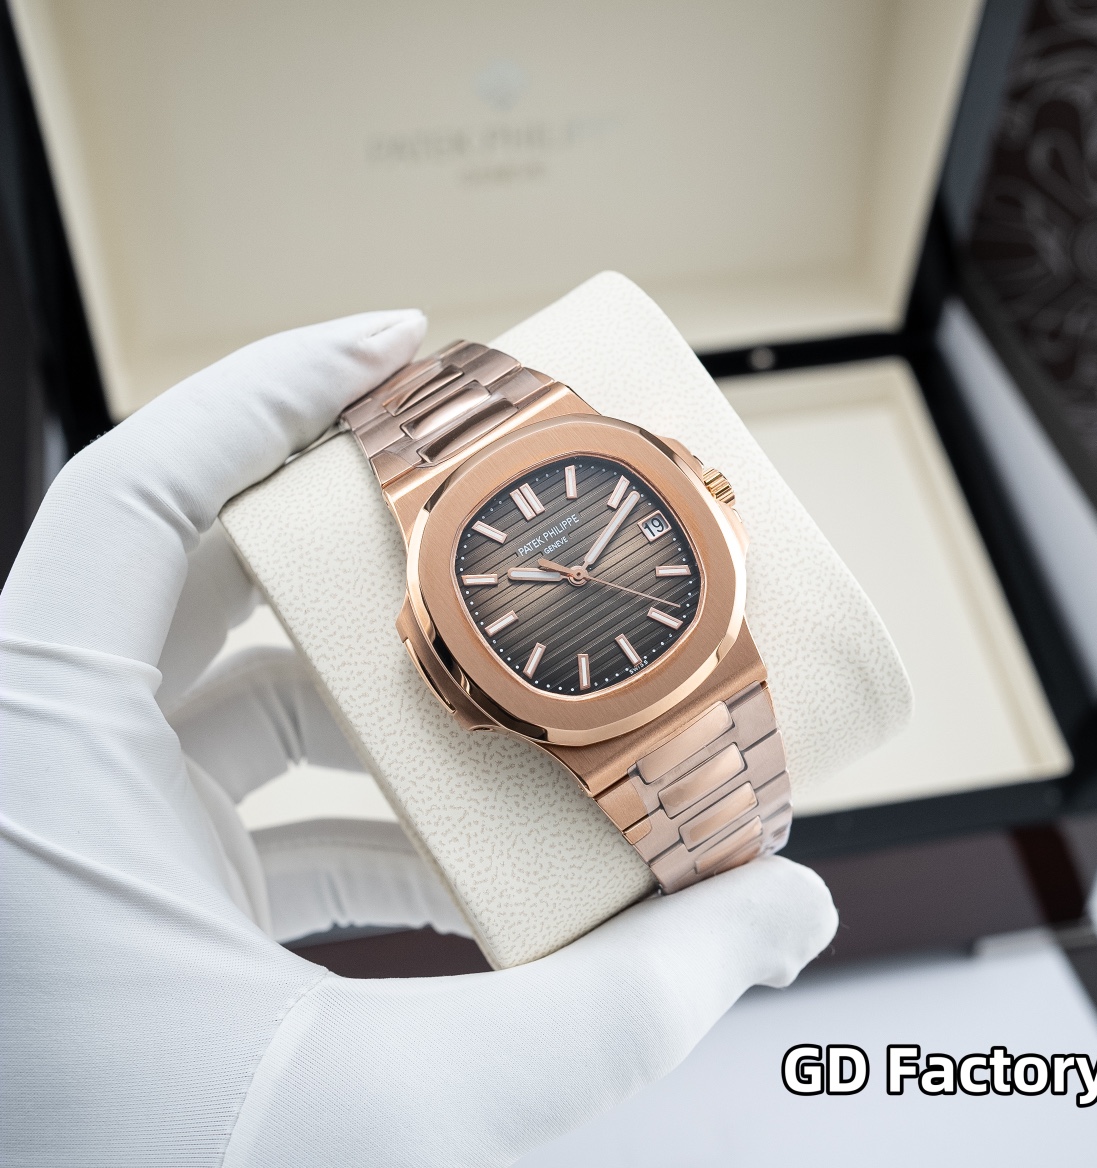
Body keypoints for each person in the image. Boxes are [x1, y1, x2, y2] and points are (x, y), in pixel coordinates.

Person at [1, 310, 837, 1166]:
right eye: (567, 575)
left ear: (707, 495)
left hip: (699, 655)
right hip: (593, 720)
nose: (580, 576)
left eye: (581, 570)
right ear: (444, 672)